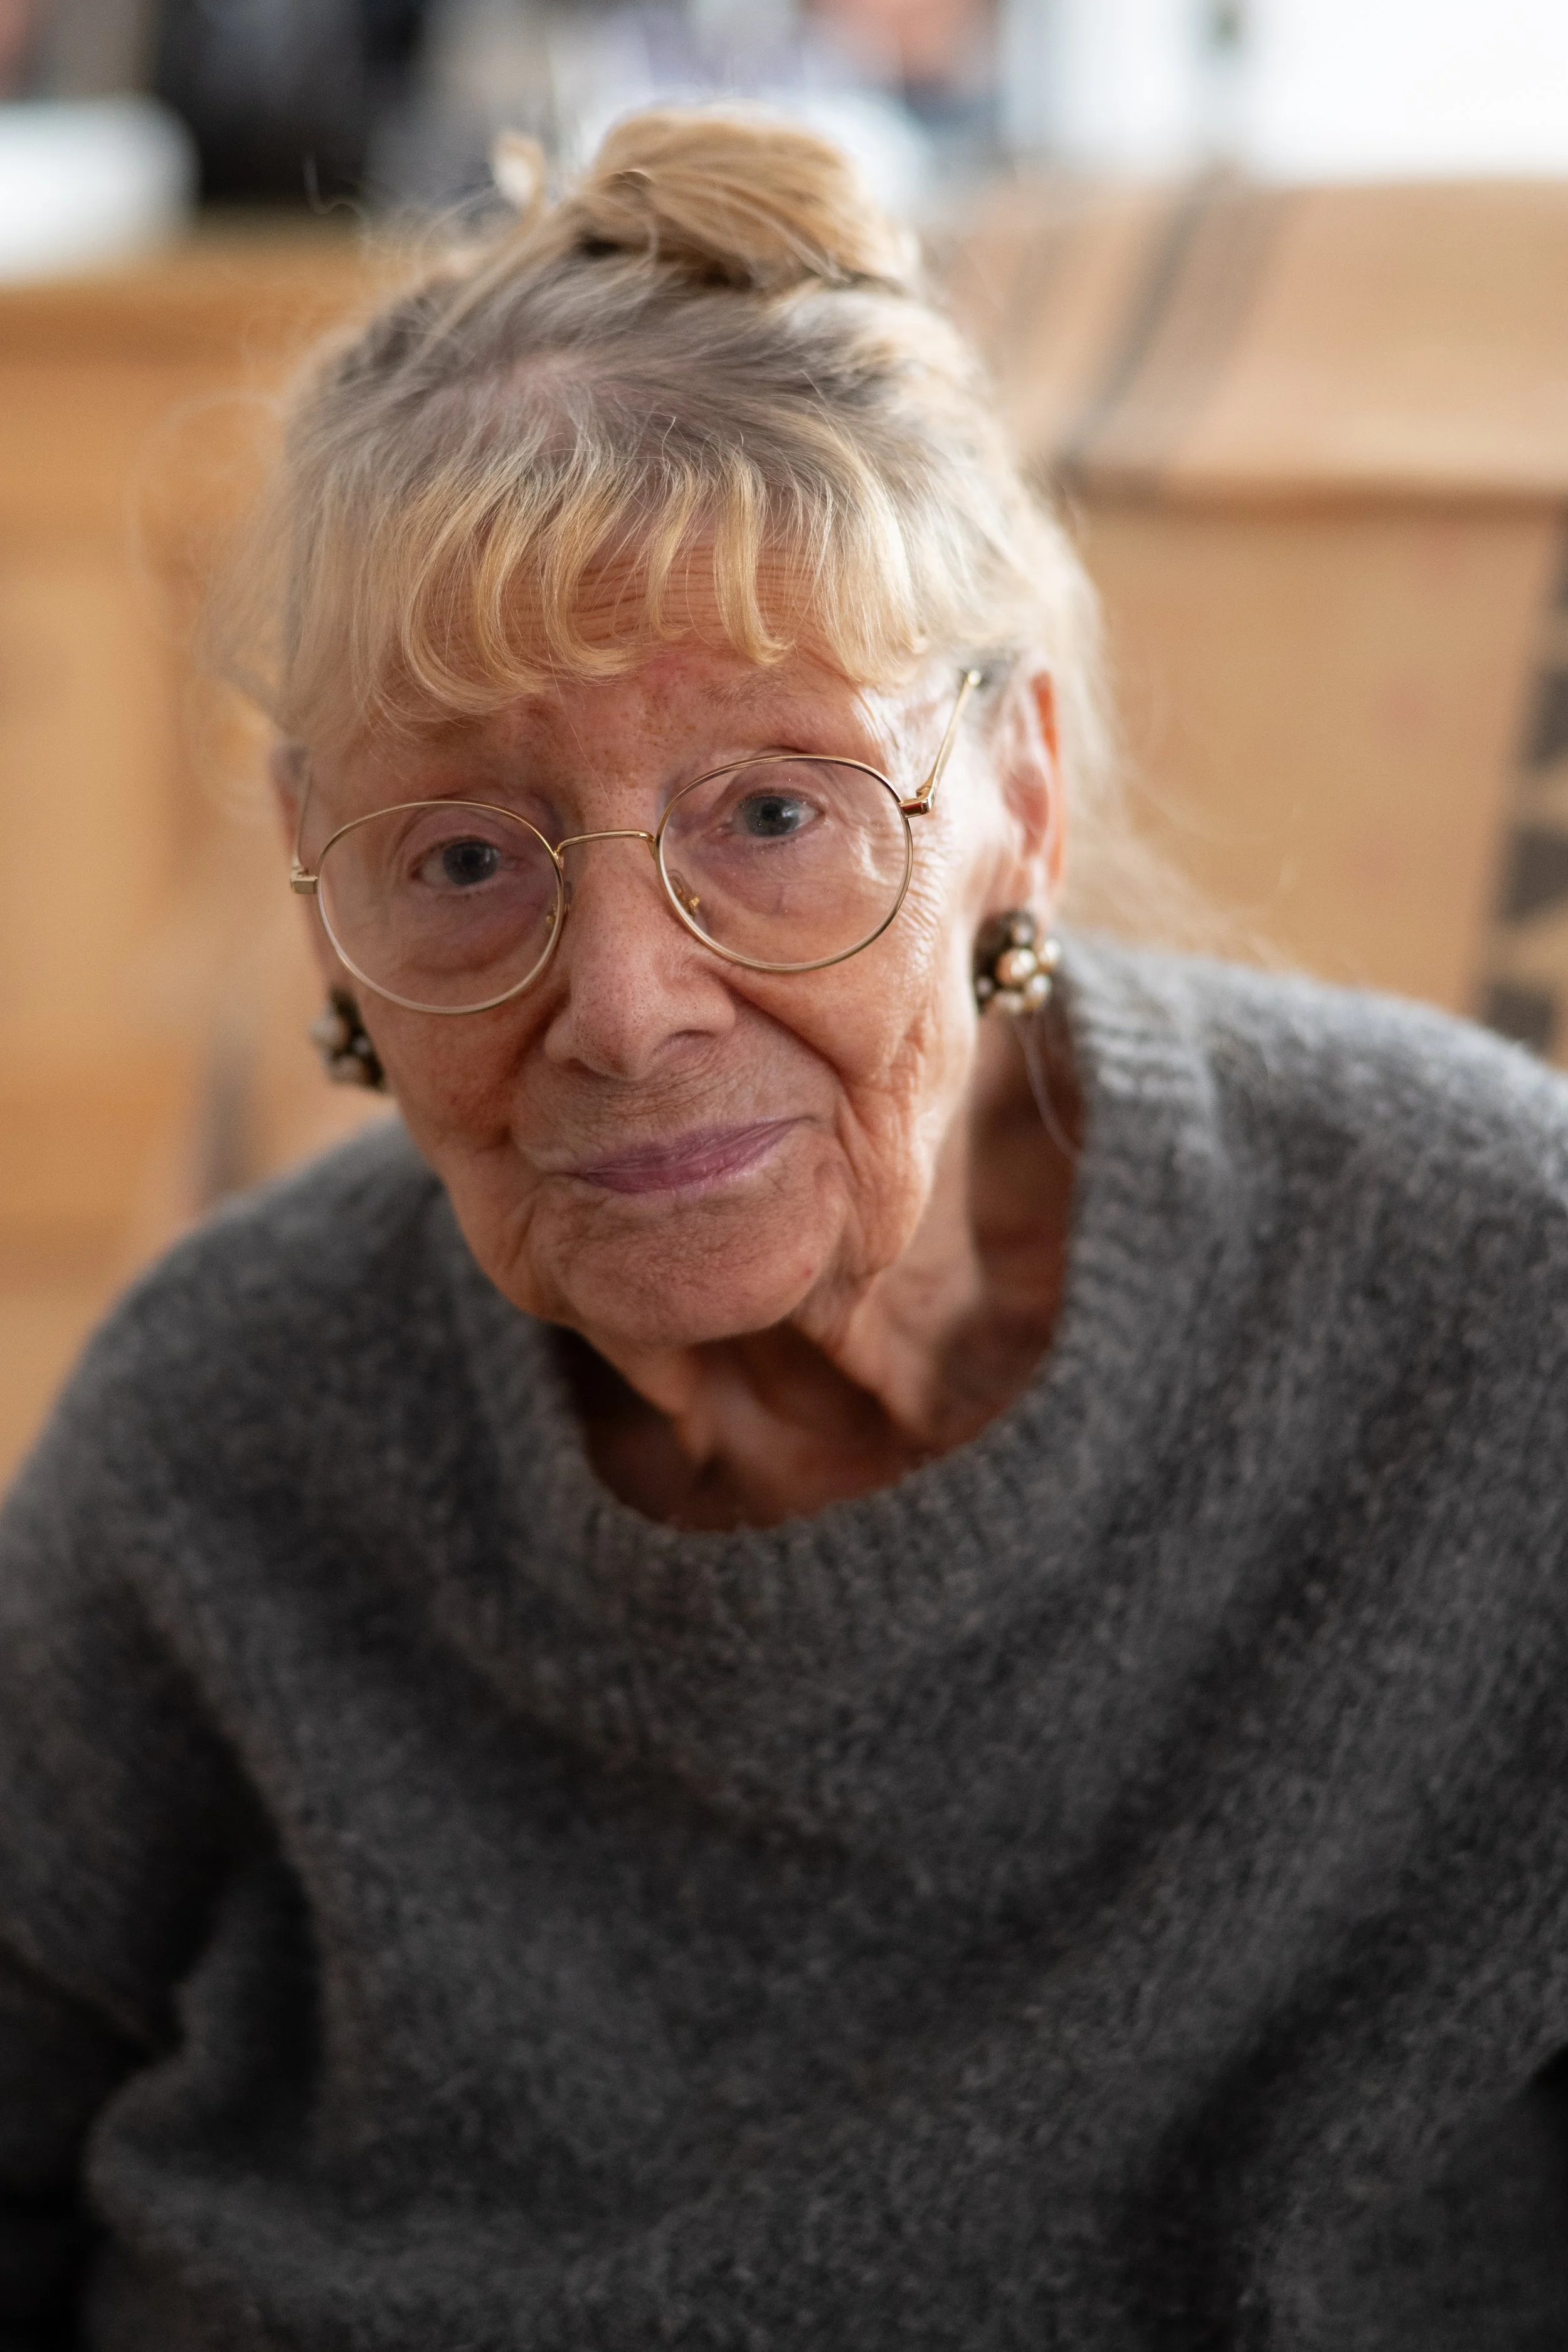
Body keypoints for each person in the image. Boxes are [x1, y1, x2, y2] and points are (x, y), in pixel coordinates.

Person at [4, 107, 1568, 2352]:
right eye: (457, 858)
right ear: (313, 885)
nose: (628, 1014)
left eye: (770, 811)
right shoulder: (223, 1424)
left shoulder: (1484, 1301)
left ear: (1011, 791)